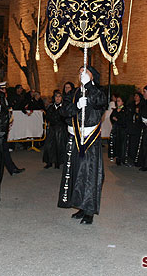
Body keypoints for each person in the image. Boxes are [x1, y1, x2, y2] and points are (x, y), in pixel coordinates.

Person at [58, 66, 106, 225]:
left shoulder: (97, 91)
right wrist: (77, 106)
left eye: (85, 72)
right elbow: (64, 111)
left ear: (92, 76)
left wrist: (90, 87)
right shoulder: (73, 93)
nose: (81, 74)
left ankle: (89, 210)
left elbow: (101, 103)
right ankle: (80, 205)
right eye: (79, 72)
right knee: (77, 173)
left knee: (89, 173)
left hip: (90, 139)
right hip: (75, 137)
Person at [43, 91, 68, 169]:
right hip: (52, 129)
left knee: (59, 146)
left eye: (59, 96)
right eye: (56, 96)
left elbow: (64, 118)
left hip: (61, 129)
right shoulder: (51, 107)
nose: (58, 98)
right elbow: (47, 117)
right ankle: (49, 162)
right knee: (49, 146)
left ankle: (58, 162)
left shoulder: (64, 107)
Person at [109, 95, 128, 166]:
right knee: (115, 143)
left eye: (119, 101)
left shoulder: (125, 110)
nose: (117, 102)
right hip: (116, 129)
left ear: (123, 102)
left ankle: (121, 158)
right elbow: (111, 117)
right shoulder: (115, 110)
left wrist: (117, 120)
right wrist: (114, 119)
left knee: (121, 144)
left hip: (122, 130)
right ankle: (116, 157)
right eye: (117, 101)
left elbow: (125, 120)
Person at [127, 92, 144, 166]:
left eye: (137, 96)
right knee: (131, 143)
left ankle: (136, 159)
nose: (135, 97)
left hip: (138, 127)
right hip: (132, 127)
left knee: (137, 143)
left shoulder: (142, 105)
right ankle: (130, 158)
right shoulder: (132, 105)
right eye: (135, 95)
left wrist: (139, 113)